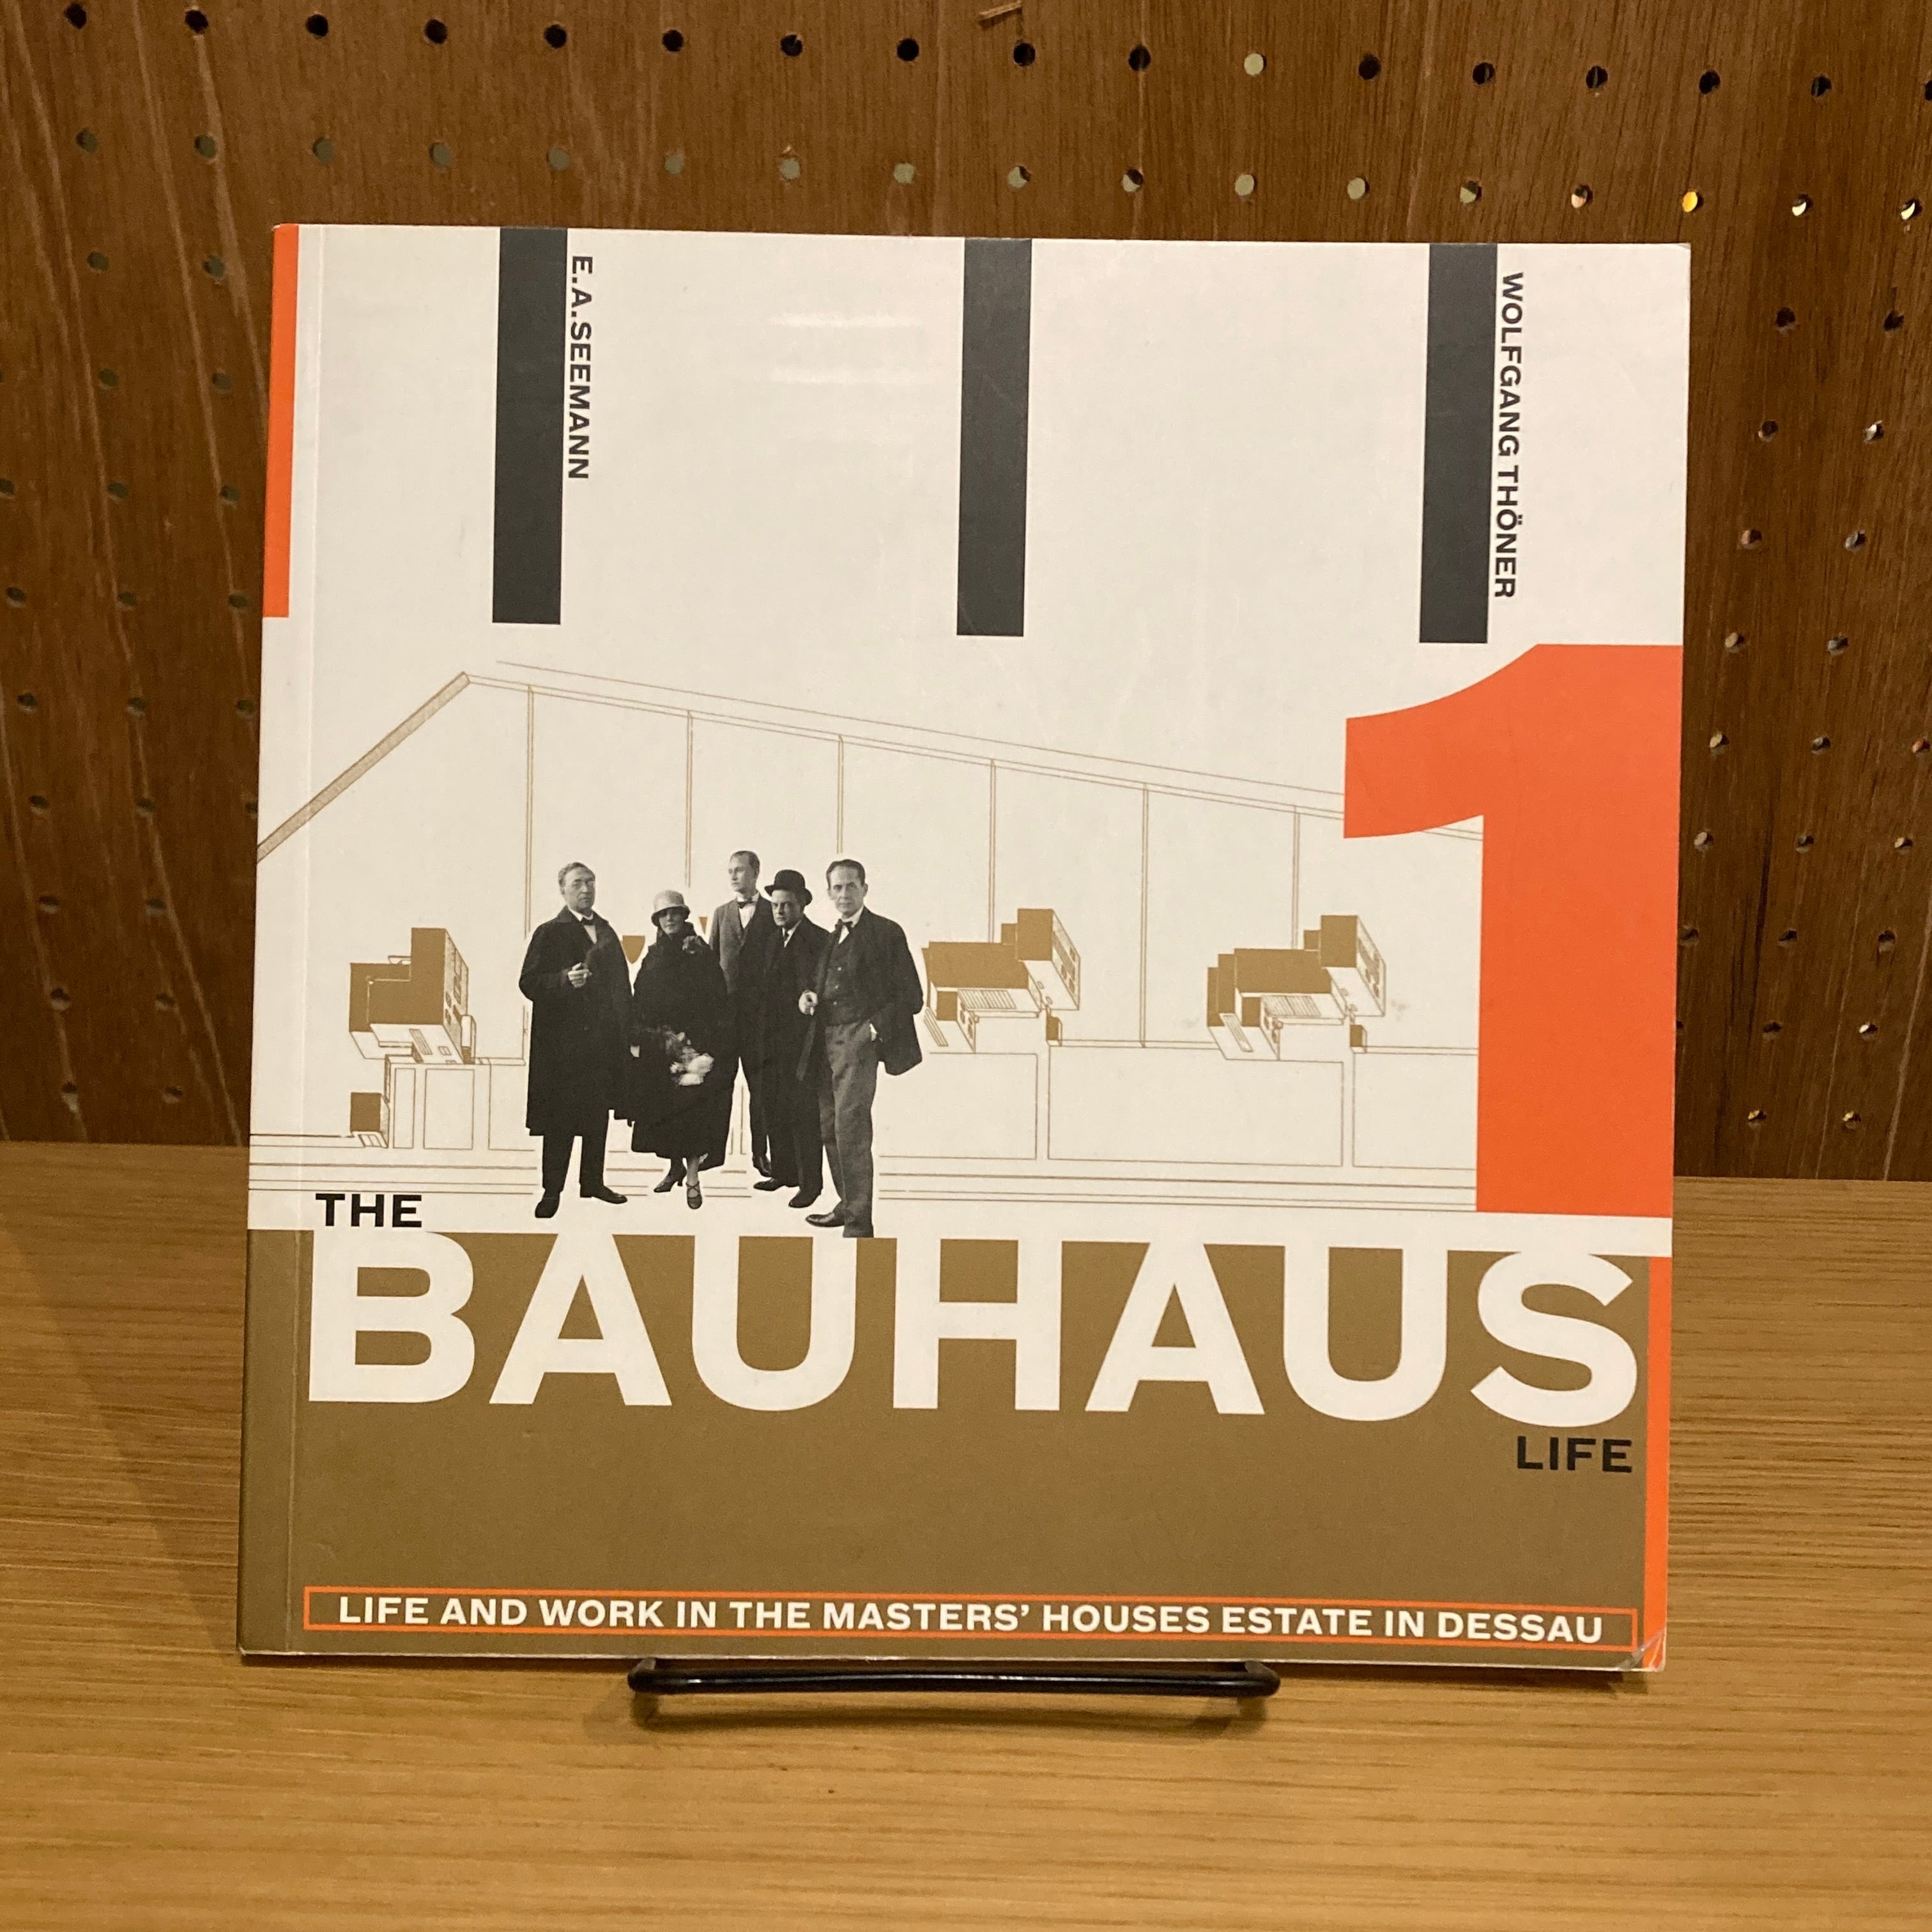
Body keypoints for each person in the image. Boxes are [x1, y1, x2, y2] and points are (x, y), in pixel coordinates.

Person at [798, 858, 924, 1239]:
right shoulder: (833, 935)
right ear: (828, 893)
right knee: (829, 1127)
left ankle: (859, 1222)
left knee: (851, 1128)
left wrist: (873, 1028)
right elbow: (824, 983)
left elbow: (912, 996)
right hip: (825, 1039)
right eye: (837, 888)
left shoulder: (886, 932)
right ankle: (847, 1204)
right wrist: (809, 996)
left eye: (851, 886)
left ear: (865, 889)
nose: (844, 894)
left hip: (858, 1041)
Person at [518, 861, 629, 1219]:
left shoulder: (607, 930)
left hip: (602, 1042)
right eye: (578, 883)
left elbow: (622, 986)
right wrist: (564, 979)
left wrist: (627, 1032)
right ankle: (552, 1192)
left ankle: (593, 1183)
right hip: (562, 1047)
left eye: (590, 882)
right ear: (563, 890)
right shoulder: (549, 932)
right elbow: (528, 982)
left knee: (597, 1115)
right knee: (560, 1120)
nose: (586, 889)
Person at [625, 889, 733, 1209]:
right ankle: (675, 1168)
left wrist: (704, 1046)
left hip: (693, 1046)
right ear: (657, 920)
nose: (670, 918)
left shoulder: (699, 952)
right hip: (661, 1045)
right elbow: (640, 997)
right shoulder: (653, 955)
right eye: (664, 914)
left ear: (685, 916)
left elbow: (718, 999)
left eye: (675, 913)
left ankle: (693, 1178)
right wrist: (647, 1035)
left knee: (692, 1117)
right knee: (667, 1114)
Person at [746, 868, 831, 1208]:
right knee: (775, 1109)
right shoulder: (772, 940)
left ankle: (810, 1185)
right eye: (776, 905)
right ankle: (785, 1173)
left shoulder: (818, 940)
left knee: (804, 1116)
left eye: (787, 905)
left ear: (803, 905)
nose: (780, 911)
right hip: (769, 1044)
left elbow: (819, 991)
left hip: (802, 1046)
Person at [708, 850, 773, 1176]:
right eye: (730, 871)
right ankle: (715, 1151)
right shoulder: (721, 914)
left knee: (760, 1089)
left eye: (740, 870)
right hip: (726, 1018)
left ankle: (760, 1154)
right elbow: (710, 965)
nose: (734, 876)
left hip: (760, 1019)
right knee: (721, 1084)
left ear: (756, 872)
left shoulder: (773, 911)